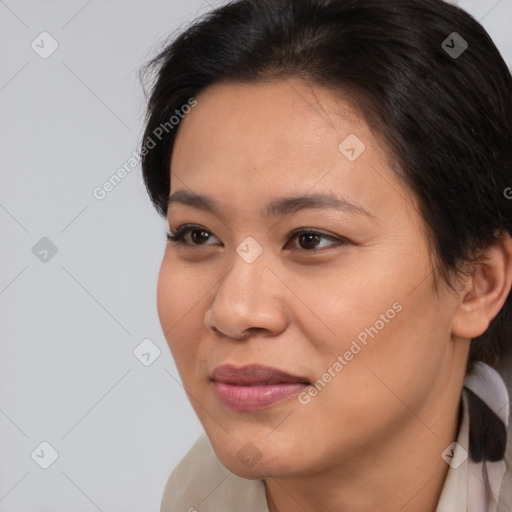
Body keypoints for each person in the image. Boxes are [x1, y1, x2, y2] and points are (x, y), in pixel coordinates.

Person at [139, 0, 512, 510]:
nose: (233, 311)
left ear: (478, 282)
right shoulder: (196, 495)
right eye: (198, 235)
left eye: (311, 238)